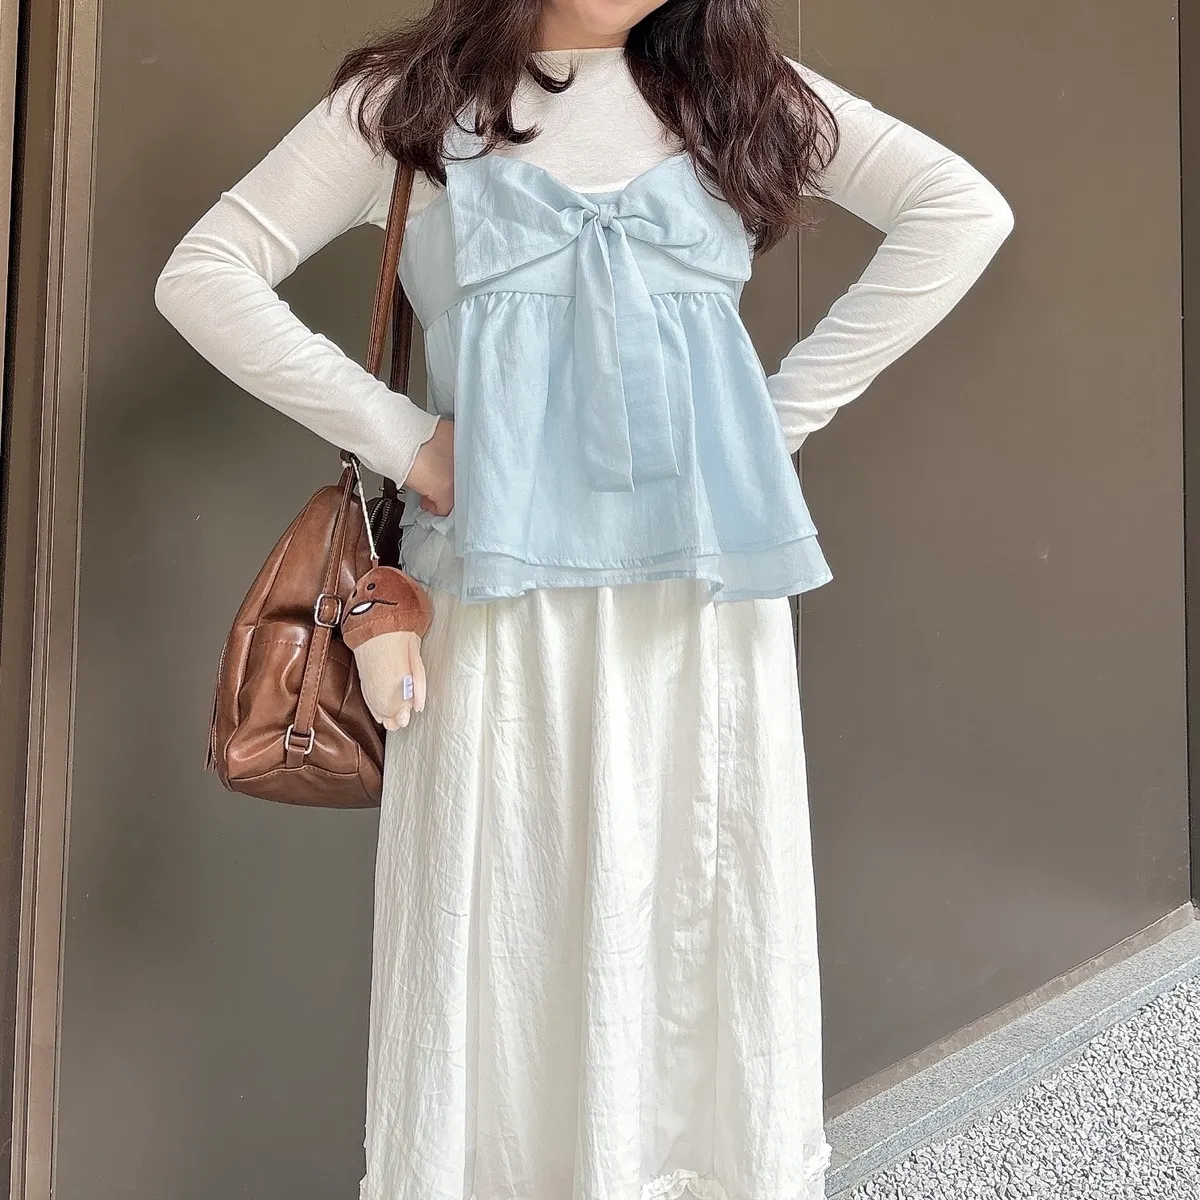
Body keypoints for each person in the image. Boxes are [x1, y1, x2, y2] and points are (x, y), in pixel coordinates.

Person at [154, 1, 1013, 1197]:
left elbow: (962, 211)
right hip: (495, 617)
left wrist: (770, 424)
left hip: (702, 609)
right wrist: (409, 442)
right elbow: (203, 276)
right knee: (499, 938)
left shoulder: (738, 90)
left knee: (700, 921)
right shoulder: (412, 105)